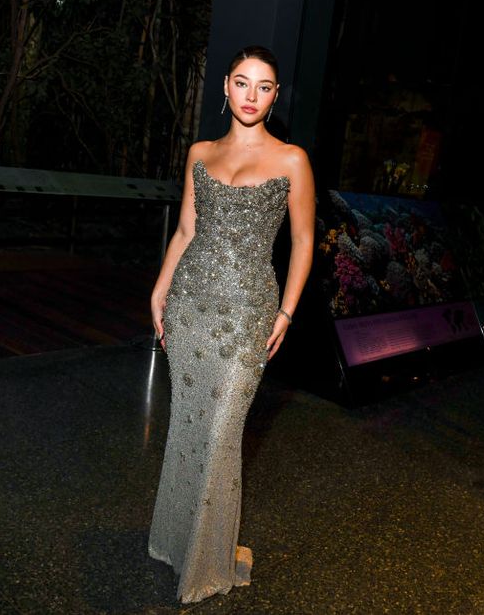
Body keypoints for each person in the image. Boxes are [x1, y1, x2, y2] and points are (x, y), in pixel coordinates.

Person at [147, 45, 315, 602]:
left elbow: (303, 241)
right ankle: (177, 544)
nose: (251, 96)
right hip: (191, 306)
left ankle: (207, 562)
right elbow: (186, 232)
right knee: (188, 430)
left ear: (274, 96)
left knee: (221, 433)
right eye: (242, 83)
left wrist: (287, 310)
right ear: (225, 86)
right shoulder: (199, 152)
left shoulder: (292, 159)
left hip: (248, 315)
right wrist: (160, 288)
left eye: (263, 87)